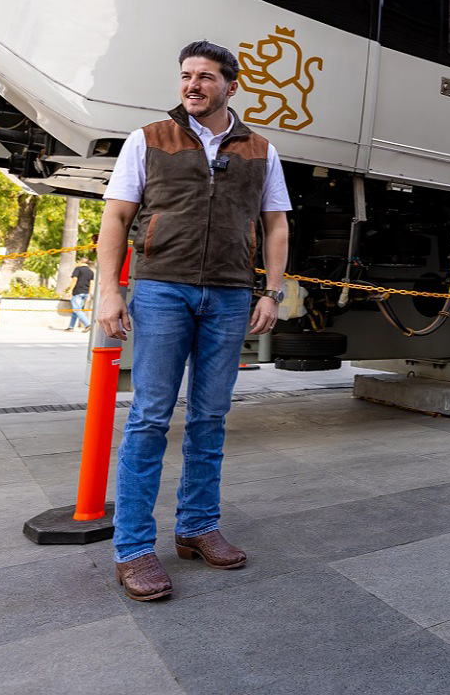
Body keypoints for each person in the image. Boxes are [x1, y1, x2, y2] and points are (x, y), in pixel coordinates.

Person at [97, 40, 290, 603]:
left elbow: (276, 225)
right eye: (186, 75)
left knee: (211, 416)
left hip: (230, 295)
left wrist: (272, 291)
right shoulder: (149, 139)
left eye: (206, 76)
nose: (192, 85)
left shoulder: (260, 150)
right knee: (150, 417)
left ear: (232, 84)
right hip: (161, 290)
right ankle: (134, 549)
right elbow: (117, 216)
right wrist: (111, 290)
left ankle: (197, 526)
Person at [61, 256, 94, 331]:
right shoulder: (91, 272)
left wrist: (70, 290)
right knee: (76, 310)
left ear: (81, 262)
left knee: (76, 309)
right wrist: (89, 294)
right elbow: (91, 283)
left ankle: (87, 324)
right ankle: (71, 327)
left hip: (78, 292)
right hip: (85, 292)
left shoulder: (78, 269)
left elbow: (74, 280)